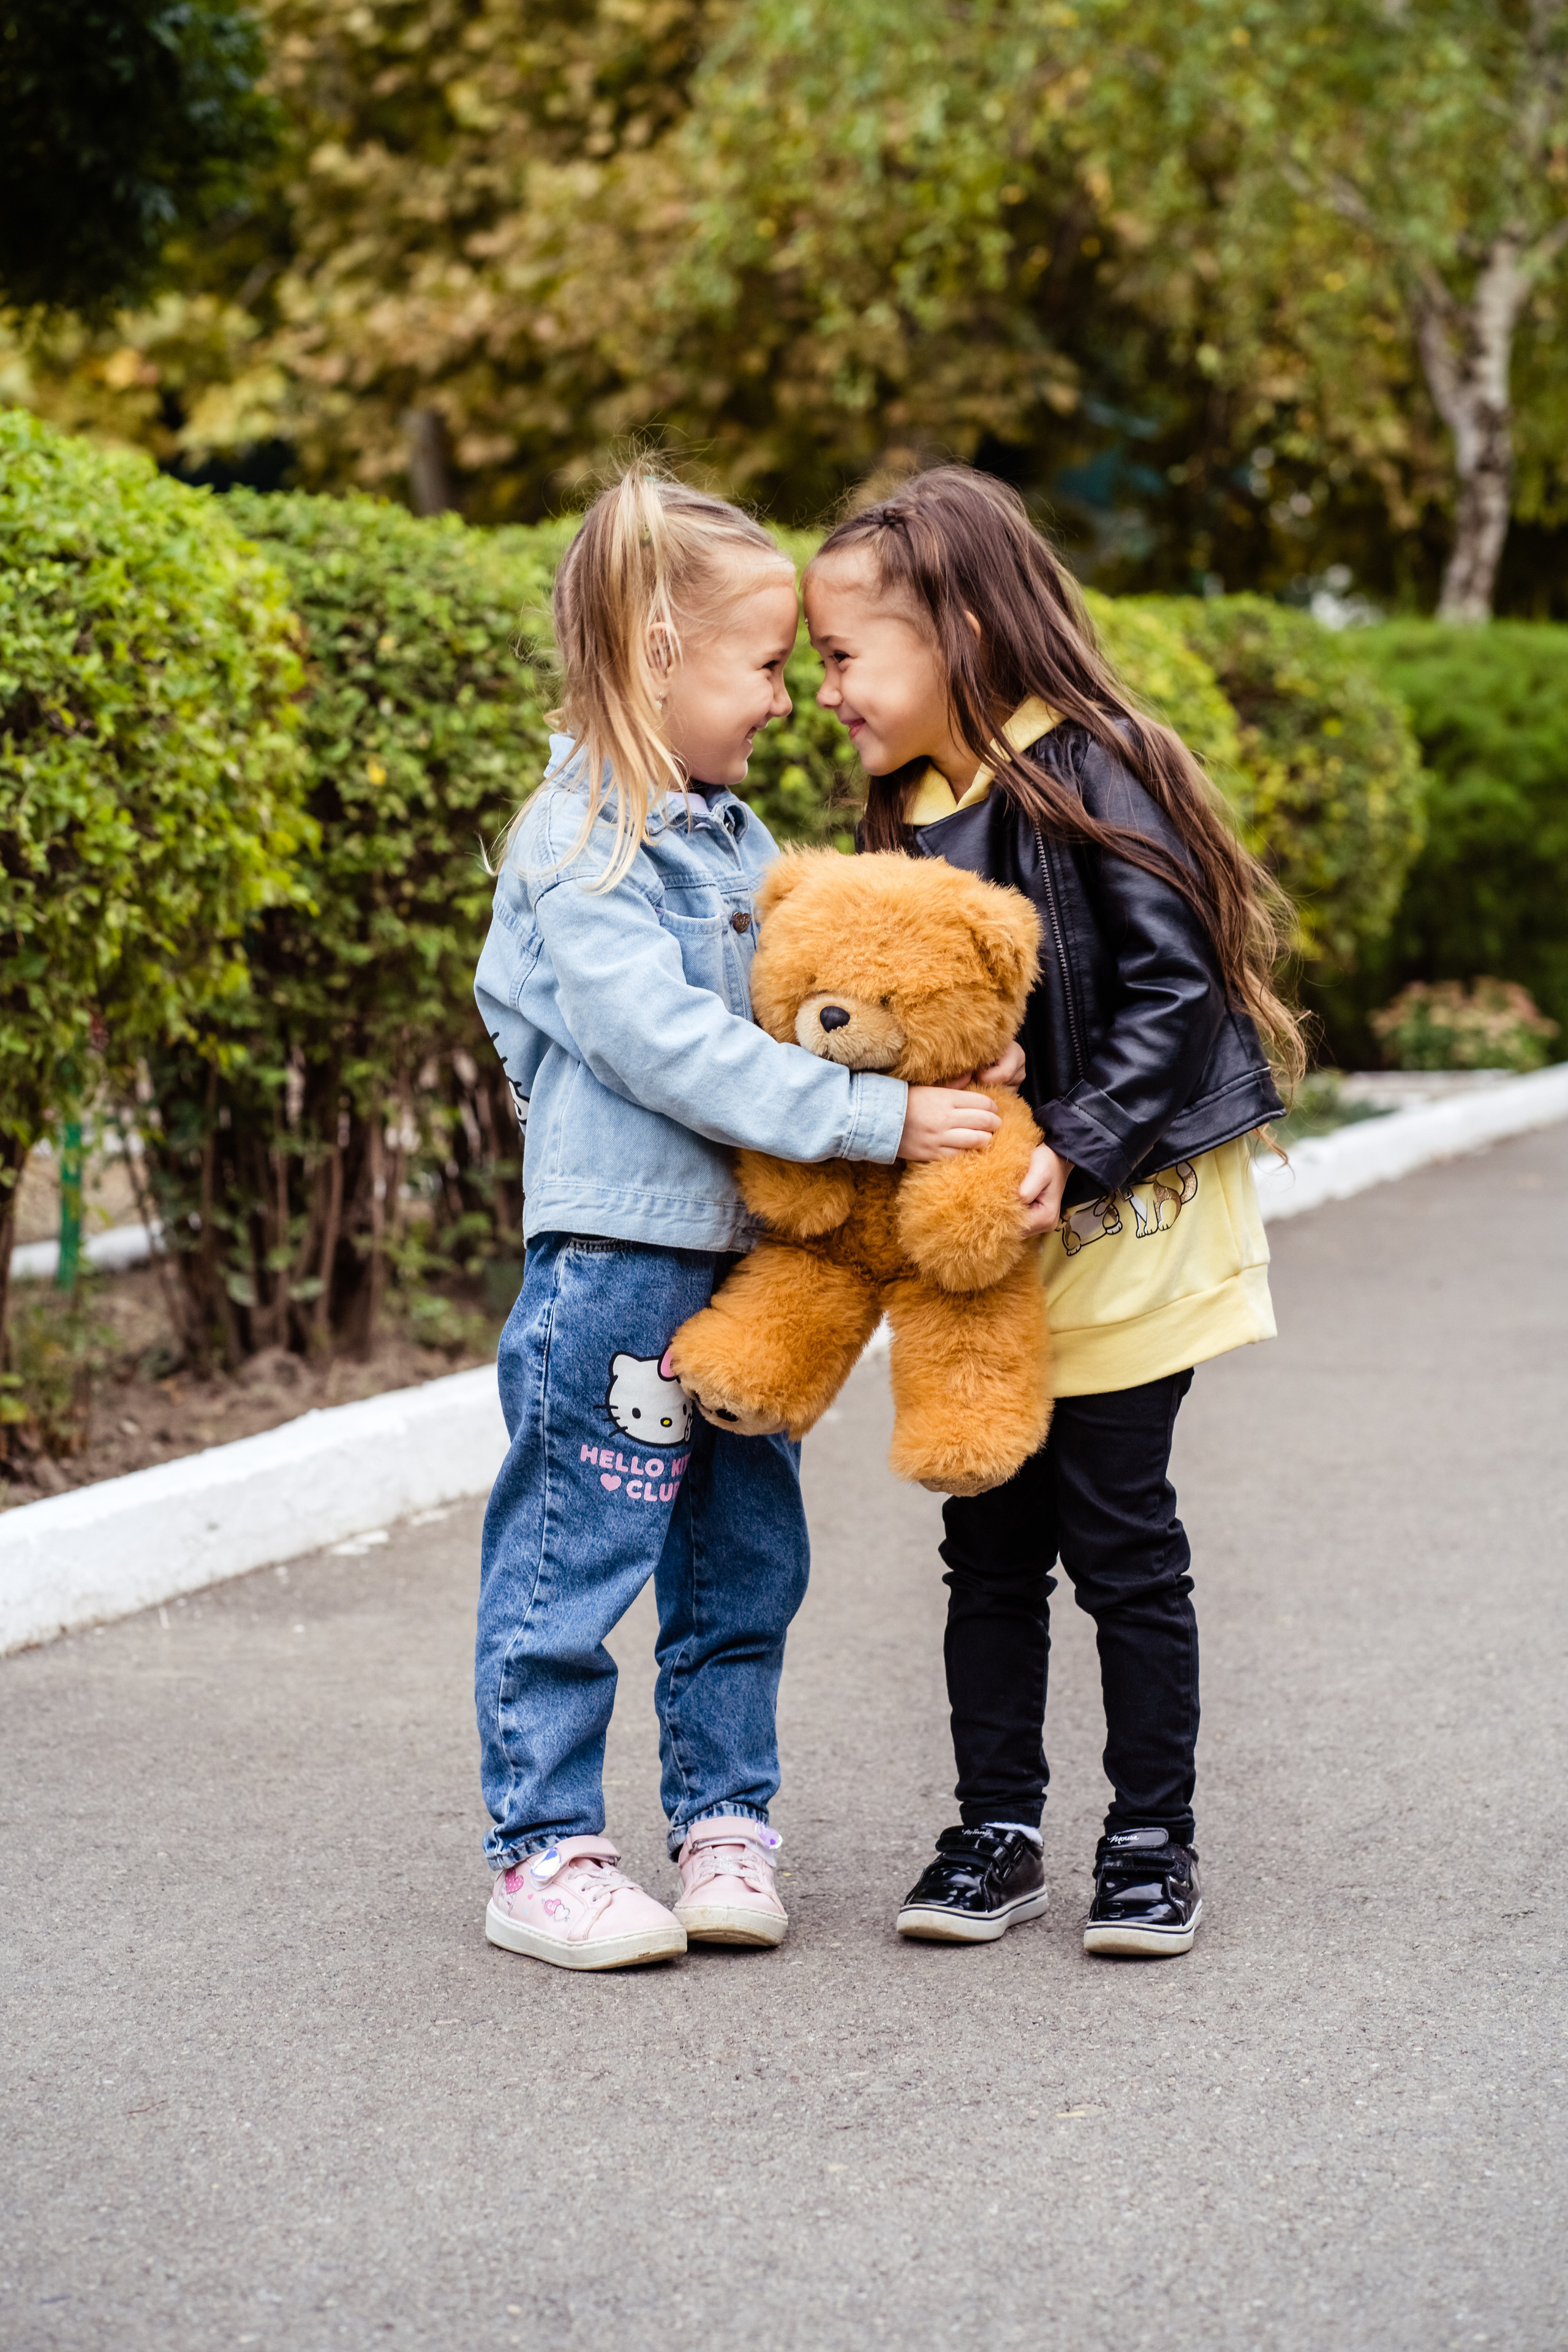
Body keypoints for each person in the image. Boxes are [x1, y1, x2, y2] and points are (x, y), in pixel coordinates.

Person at [473, 469, 1005, 1971]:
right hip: (623, 1272)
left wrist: (940, 1056)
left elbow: (814, 1002)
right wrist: (868, 1122)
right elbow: (660, 1044)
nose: (784, 698)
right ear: (654, 654)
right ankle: (543, 1853)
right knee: (577, 1555)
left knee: (740, 1559)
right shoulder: (580, 839)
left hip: (754, 1274)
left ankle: (722, 1821)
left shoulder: (733, 831)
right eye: (764, 666)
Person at [802, 466, 1305, 1958]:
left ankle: (1149, 1836)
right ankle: (994, 1826)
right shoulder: (905, 809)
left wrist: (1071, 1133)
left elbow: (1173, 989)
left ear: (953, 628)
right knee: (987, 1544)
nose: (828, 691)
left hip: (1120, 1216)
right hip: (986, 1248)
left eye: (842, 656)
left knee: (1119, 1536)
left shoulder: (1088, 766)